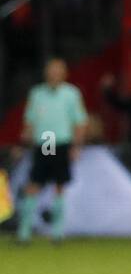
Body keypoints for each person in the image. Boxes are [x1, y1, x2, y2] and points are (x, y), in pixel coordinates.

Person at [17, 58, 87, 244]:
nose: (54, 73)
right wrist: (24, 142)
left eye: (58, 70)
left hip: (61, 143)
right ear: (46, 72)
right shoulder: (37, 93)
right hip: (44, 143)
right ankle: (24, 231)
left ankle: (57, 232)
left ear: (64, 73)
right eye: (51, 70)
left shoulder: (71, 94)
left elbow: (79, 122)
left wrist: (76, 146)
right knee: (34, 184)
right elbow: (29, 122)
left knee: (59, 185)